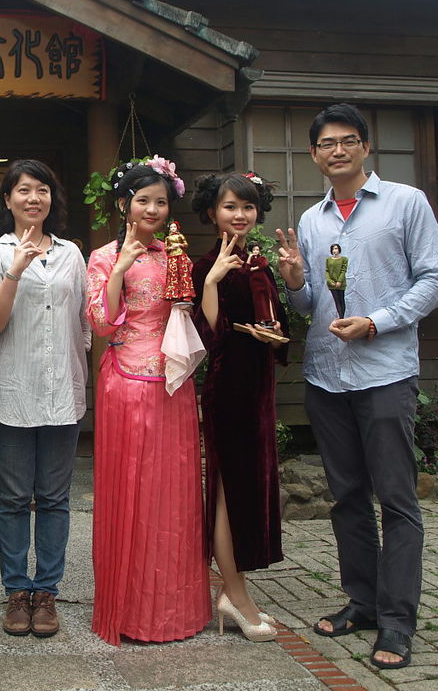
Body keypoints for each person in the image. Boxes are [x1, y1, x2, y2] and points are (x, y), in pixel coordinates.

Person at [276, 103, 438, 670]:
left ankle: (399, 622)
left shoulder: (405, 203)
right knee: (347, 496)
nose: (338, 151)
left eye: (347, 141)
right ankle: (363, 601)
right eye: (326, 144)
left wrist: (378, 321)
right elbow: (307, 305)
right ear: (314, 155)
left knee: (396, 500)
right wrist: (296, 283)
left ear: (366, 147)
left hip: (384, 373)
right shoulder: (312, 220)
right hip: (326, 375)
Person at [86, 158, 210, 646]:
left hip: (173, 382)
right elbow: (100, 321)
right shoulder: (101, 256)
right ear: (124, 205)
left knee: (174, 495)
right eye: (143, 200)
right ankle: (128, 608)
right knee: (129, 491)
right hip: (123, 380)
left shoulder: (175, 255)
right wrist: (120, 266)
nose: (153, 209)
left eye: (161, 201)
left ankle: (174, 610)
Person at [0, 159, 90, 638]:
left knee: (56, 497)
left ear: (51, 199)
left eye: (42, 189)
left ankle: (47, 593)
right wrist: (15, 272)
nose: (33, 198)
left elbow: (83, 325)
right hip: (11, 392)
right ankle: (17, 592)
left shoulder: (71, 254)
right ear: (7, 200)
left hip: (62, 391)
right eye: (23, 190)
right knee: (16, 497)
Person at [190, 172, 288, 643]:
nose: (240, 215)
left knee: (250, 490)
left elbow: (276, 327)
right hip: (229, 389)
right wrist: (210, 281)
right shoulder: (204, 263)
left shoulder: (258, 262)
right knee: (228, 494)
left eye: (247, 208)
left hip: (259, 388)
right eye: (230, 207)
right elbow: (208, 335)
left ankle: (237, 591)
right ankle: (235, 596)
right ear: (212, 212)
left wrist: (291, 281)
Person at [326, 243, 349, 319]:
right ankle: (340, 317)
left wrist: (339, 281)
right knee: (337, 301)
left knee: (341, 300)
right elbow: (327, 271)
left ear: (339, 249)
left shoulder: (344, 259)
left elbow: (343, 270)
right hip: (332, 284)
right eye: (333, 249)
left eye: (336, 249)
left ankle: (343, 317)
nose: (334, 250)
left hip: (341, 283)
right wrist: (329, 280)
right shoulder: (328, 260)